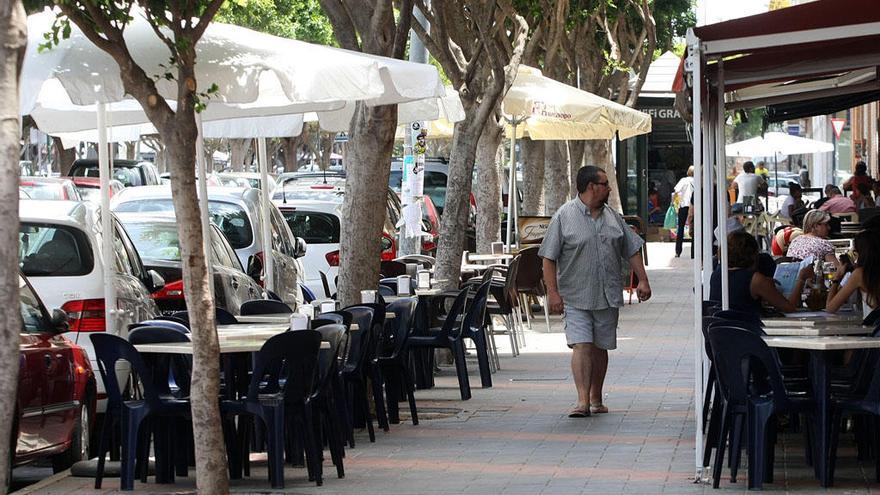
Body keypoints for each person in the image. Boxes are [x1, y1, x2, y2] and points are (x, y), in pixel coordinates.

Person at [540, 165, 651, 418]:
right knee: (581, 345)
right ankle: (582, 401)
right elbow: (548, 258)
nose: (609, 188)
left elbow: (631, 249)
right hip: (575, 295)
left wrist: (643, 280)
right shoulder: (564, 216)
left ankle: (596, 397)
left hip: (607, 293)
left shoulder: (613, 216)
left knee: (600, 347)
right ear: (591, 187)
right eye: (605, 184)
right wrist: (553, 293)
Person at [709, 231, 812, 315]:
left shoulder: (717, 275)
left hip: (724, 330)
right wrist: (801, 278)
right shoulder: (755, 280)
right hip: (748, 332)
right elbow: (789, 307)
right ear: (753, 254)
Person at [825, 229, 880, 318]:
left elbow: (830, 308)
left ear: (859, 253)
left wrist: (837, 278)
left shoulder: (860, 274)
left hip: (874, 329)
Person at [672, 166, 695, 258]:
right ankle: (694, 252)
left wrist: (673, 203)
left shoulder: (683, 180)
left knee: (680, 228)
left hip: (684, 205)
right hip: (694, 206)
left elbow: (676, 191)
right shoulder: (697, 180)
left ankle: (678, 251)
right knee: (695, 228)